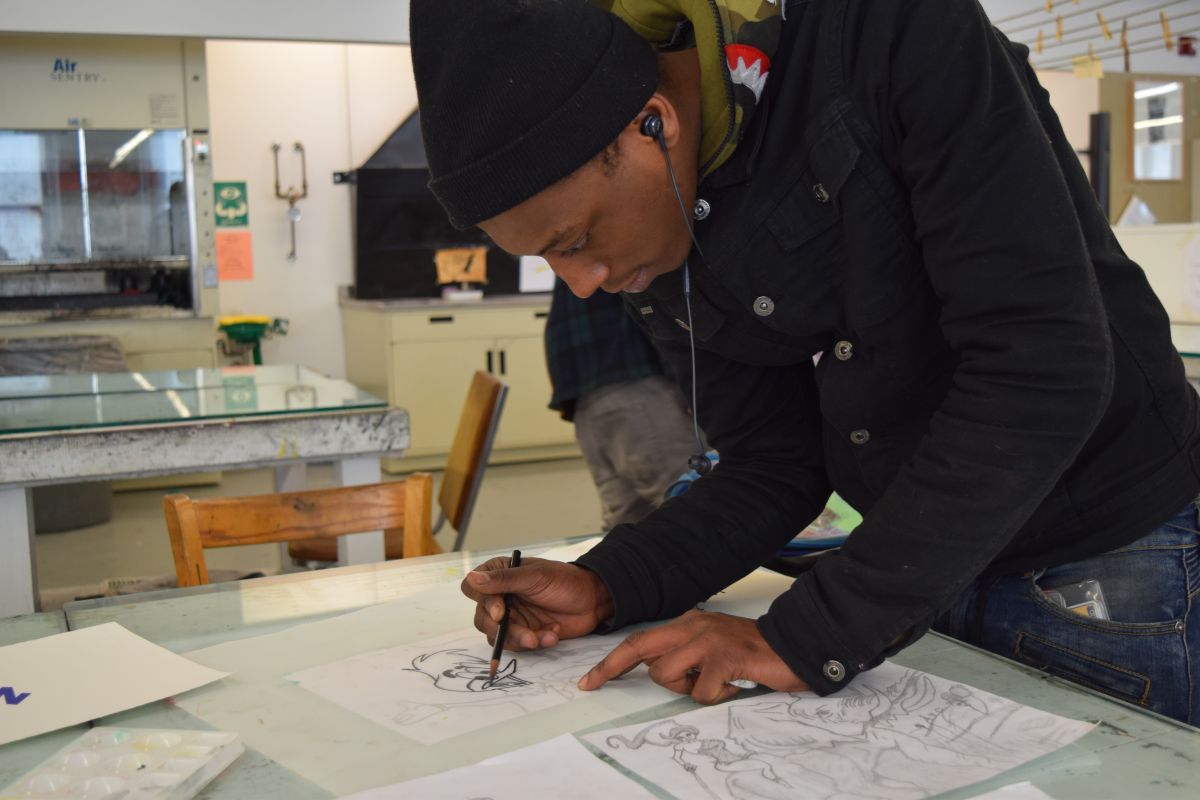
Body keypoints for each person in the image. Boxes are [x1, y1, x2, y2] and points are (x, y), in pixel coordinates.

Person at [410, 0, 1200, 725]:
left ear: (653, 123)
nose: (581, 284)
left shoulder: (890, 33)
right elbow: (775, 458)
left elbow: (1040, 368)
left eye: (576, 240)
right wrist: (612, 581)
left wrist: (809, 633)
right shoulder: (656, 225)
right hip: (919, 571)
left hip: (1102, 560)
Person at [544, 276, 701, 528]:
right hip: (640, 390)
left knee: (629, 524)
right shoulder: (628, 260)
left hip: (590, 400)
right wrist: (691, 384)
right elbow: (661, 301)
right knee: (691, 508)